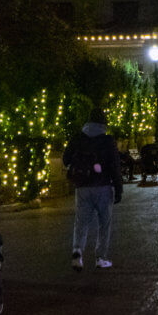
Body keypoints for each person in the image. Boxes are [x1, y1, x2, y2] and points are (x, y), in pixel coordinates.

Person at [62, 108, 123, 271]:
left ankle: (77, 252)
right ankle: (101, 257)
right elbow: (115, 166)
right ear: (103, 122)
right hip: (103, 186)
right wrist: (119, 188)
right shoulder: (108, 140)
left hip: (82, 187)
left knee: (81, 222)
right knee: (104, 224)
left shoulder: (77, 138)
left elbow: (65, 159)